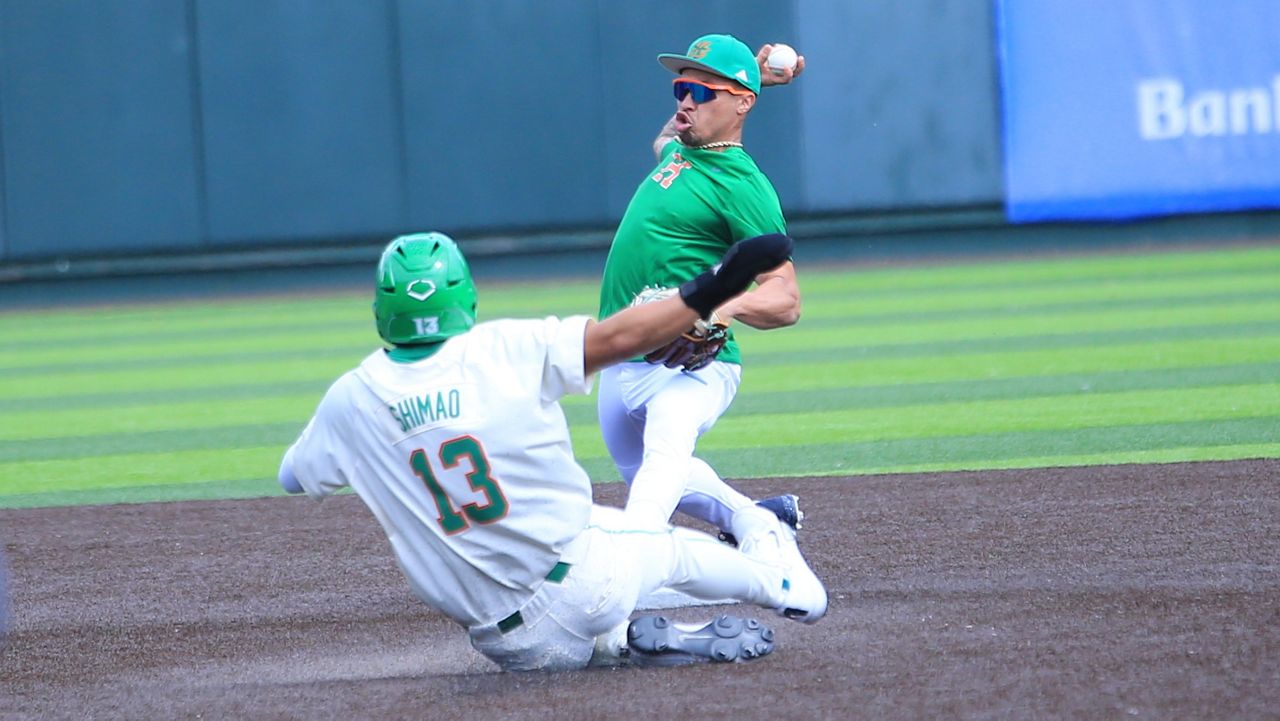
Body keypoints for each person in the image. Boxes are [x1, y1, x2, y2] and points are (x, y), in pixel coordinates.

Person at [278, 231, 826, 672]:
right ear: (465, 296)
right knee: (660, 548)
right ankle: (785, 583)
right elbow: (620, 339)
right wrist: (710, 289)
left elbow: (295, 478)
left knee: (595, 553)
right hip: (585, 582)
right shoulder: (502, 348)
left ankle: (617, 644)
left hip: (508, 647)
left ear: (381, 310)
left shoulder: (350, 399)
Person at [596, 36, 812, 569]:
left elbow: (785, 298)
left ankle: (630, 564)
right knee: (649, 470)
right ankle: (761, 522)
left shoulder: (743, 185)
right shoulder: (682, 151)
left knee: (665, 459)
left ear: (740, 103)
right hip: (624, 351)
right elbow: (665, 137)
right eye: (680, 88)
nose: (684, 102)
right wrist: (754, 82)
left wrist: (719, 311)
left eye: (700, 91)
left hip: (689, 362)